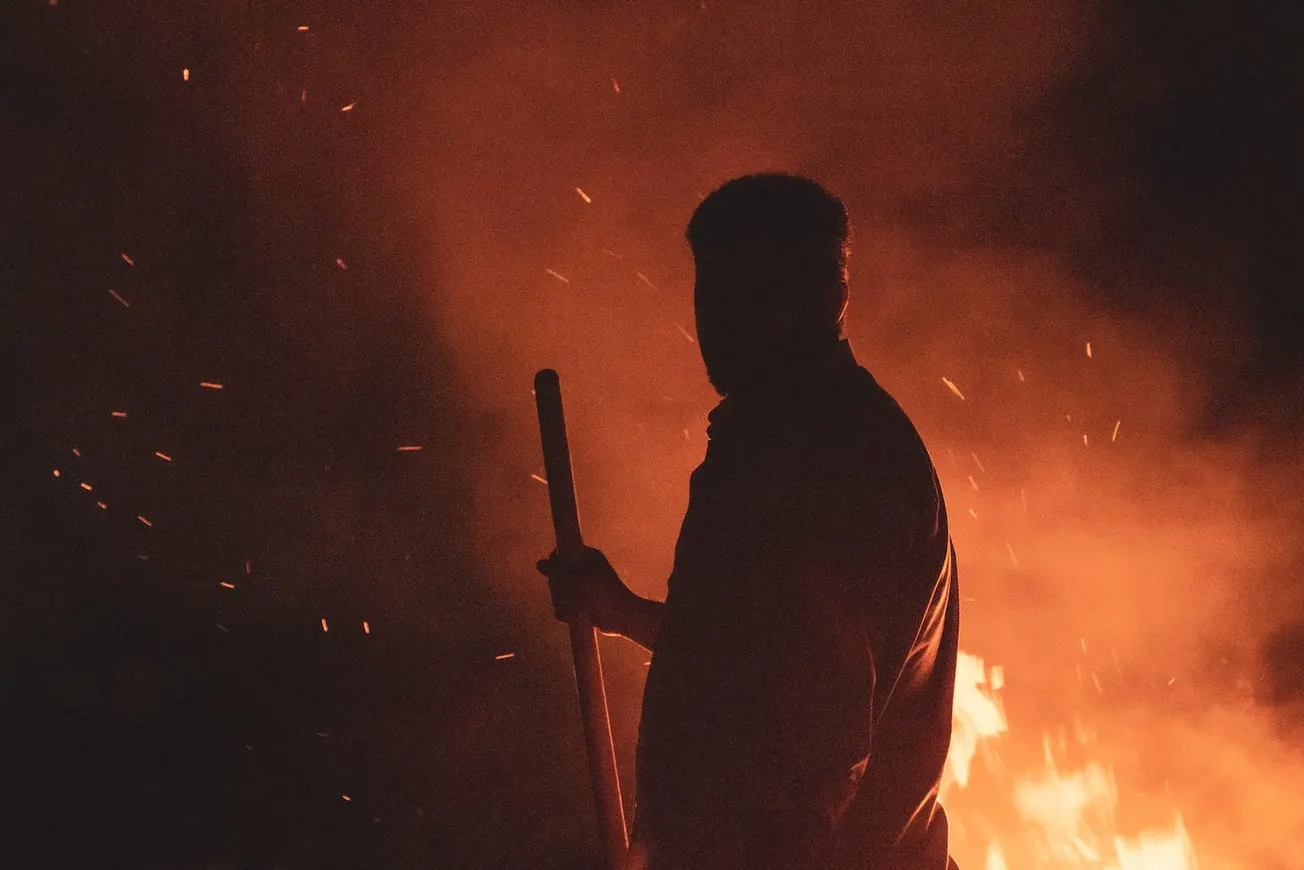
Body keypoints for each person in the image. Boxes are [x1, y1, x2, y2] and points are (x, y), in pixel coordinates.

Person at [538, 173, 960, 869]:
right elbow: (763, 655)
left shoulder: (830, 457)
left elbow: (817, 742)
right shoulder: (779, 439)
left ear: (832, 299)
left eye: (763, 293)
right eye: (715, 292)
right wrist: (624, 611)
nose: (729, 319)